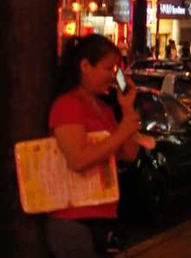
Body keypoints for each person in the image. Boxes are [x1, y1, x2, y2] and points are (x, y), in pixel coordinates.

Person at [46, 34, 140, 257]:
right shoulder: (68, 105)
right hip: (73, 219)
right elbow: (78, 159)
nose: (113, 76)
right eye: (108, 68)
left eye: (115, 70)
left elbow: (129, 153)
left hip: (103, 217)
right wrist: (122, 132)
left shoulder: (104, 108)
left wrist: (126, 109)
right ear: (85, 66)